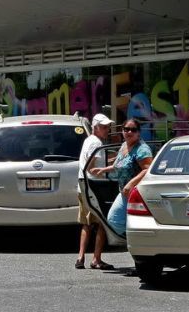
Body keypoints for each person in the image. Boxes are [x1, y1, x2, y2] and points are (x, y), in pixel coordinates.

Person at [91, 119, 154, 237]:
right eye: (126, 129)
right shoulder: (124, 145)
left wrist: (131, 184)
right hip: (124, 192)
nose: (129, 132)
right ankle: (130, 240)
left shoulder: (142, 149)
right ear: (122, 131)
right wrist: (103, 170)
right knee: (113, 220)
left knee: (127, 221)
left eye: (133, 130)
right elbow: (118, 165)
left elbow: (148, 169)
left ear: (138, 133)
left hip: (137, 194)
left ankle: (136, 240)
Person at [75, 114, 114, 270]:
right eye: (104, 127)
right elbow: (91, 167)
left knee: (86, 223)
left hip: (83, 186)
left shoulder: (88, 141)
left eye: (107, 127)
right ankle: (96, 259)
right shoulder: (96, 143)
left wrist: (114, 160)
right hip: (93, 188)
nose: (107, 130)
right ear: (96, 127)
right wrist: (110, 167)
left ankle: (80, 257)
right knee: (102, 224)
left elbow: (95, 163)